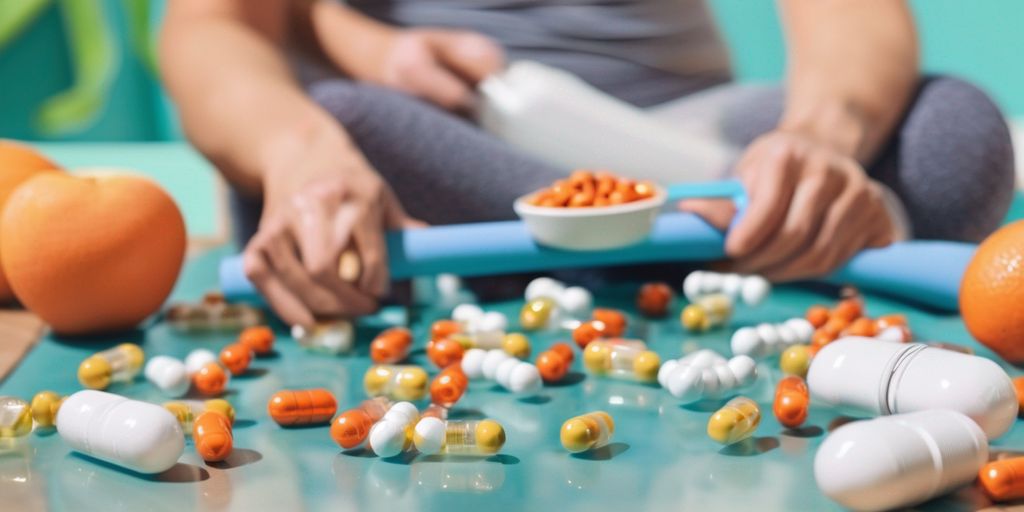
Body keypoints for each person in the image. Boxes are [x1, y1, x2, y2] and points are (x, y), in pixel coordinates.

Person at [161, 0, 1014, 326]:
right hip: (453, 142)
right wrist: (300, 152)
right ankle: (735, 240)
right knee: (345, 123)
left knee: (953, 135)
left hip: (682, 129)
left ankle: (668, 241)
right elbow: (214, 26)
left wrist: (823, 141)